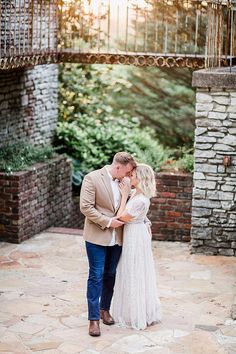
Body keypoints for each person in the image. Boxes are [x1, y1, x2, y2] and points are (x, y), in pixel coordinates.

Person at [80, 152, 136, 337]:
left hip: (118, 238)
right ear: (118, 166)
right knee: (96, 275)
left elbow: (132, 206)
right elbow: (86, 207)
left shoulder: (126, 183)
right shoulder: (92, 178)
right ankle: (93, 319)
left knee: (111, 274)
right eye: (127, 172)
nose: (128, 176)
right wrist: (108, 222)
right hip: (96, 236)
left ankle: (105, 309)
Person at [112, 163, 162, 330]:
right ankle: (133, 310)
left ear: (140, 178)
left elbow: (121, 218)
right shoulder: (136, 194)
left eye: (132, 175)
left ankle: (137, 314)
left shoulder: (139, 199)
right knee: (130, 269)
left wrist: (124, 193)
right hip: (134, 232)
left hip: (135, 236)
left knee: (134, 270)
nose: (129, 177)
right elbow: (142, 216)